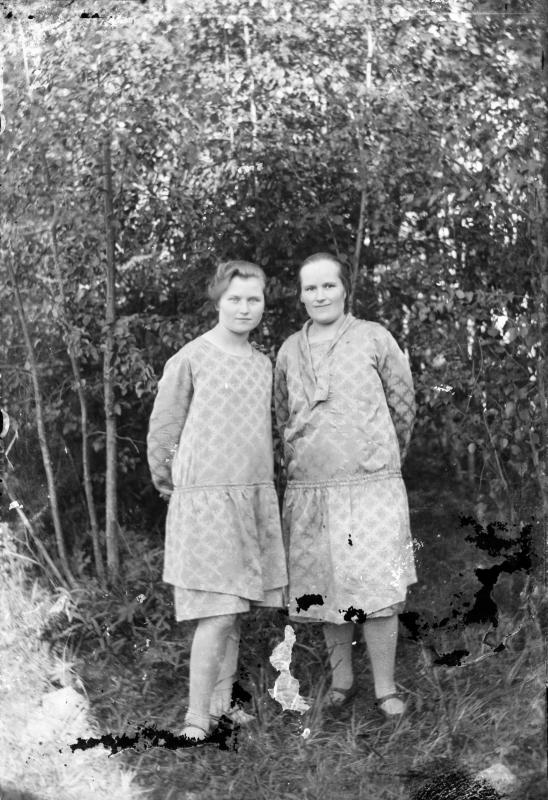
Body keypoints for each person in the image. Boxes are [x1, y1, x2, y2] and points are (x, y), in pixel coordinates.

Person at [147, 260, 287, 741]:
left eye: (253, 299)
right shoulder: (192, 357)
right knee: (218, 610)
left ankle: (222, 706)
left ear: (263, 304)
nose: (244, 308)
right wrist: (170, 481)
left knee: (235, 607)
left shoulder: (263, 364)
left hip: (249, 498)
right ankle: (195, 717)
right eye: (235, 298)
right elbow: (164, 429)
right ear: (218, 301)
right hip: (204, 500)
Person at [274, 252, 416, 718]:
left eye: (328, 286)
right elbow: (282, 416)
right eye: (310, 288)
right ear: (300, 295)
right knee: (326, 588)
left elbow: (403, 404)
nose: (320, 296)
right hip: (311, 489)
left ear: (345, 289)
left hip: (372, 486)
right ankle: (342, 681)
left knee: (376, 589)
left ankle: (385, 689)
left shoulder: (374, 337)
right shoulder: (288, 351)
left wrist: (382, 459)